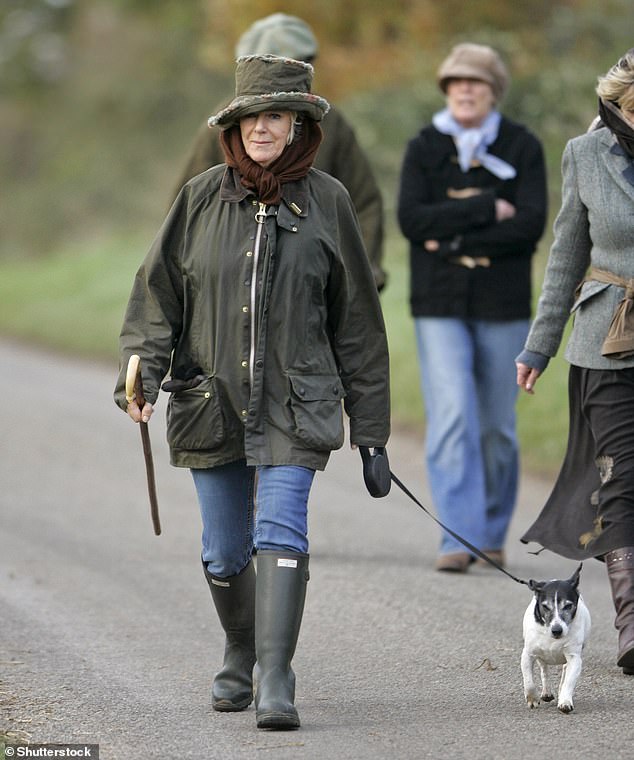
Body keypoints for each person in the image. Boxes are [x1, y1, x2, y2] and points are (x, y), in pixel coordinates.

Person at [114, 55, 390, 729]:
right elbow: (159, 297)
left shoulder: (329, 202)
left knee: (281, 529)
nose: (262, 129)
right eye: (250, 118)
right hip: (210, 401)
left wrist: (374, 432)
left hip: (299, 404)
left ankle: (275, 674)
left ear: (299, 124)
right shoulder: (203, 198)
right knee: (225, 549)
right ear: (233, 127)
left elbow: (357, 321)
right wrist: (142, 372)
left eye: (275, 116)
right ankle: (239, 652)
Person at [397, 43, 547, 573]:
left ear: (493, 91)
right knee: (453, 414)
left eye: (476, 83)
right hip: (438, 301)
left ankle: (489, 532)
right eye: (456, 82)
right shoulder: (424, 146)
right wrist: (487, 208)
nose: (464, 90)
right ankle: (457, 537)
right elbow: (412, 222)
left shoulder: (522, 146)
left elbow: (529, 225)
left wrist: (452, 235)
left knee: (497, 426)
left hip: (503, 303)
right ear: (446, 89)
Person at [516, 49, 634, 676]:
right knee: (620, 478)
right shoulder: (585, 155)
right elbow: (566, 255)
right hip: (606, 342)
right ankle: (631, 623)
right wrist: (541, 343)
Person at [171, 12, 387, 291]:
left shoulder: (331, 124)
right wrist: (185, 276)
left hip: (311, 276)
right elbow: (189, 204)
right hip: (234, 275)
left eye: (296, 62)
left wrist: (363, 275)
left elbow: (363, 202)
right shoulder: (223, 124)